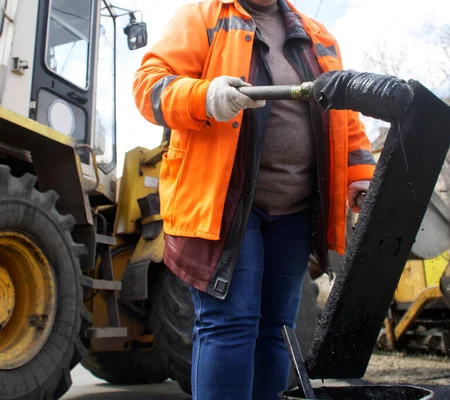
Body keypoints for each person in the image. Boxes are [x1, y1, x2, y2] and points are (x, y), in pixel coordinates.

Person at [132, 0, 375, 398]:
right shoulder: (204, 17)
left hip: (295, 211)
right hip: (226, 208)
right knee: (230, 325)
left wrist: (360, 178)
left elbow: (345, 119)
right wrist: (204, 95)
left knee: (278, 328)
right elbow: (148, 86)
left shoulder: (318, 37)